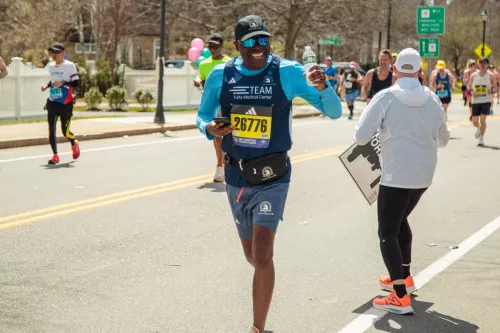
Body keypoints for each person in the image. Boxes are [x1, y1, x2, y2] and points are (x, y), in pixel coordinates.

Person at [196, 15, 342, 333]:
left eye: (264, 40)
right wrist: (209, 128)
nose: (259, 47)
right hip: (236, 177)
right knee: (252, 255)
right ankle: (266, 275)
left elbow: (334, 111)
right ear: (237, 46)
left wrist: (323, 86)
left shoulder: (287, 72)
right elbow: (203, 113)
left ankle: (258, 327)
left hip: (273, 176)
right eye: (251, 42)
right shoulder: (221, 75)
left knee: (262, 254)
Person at [354, 48, 450, 315]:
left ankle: (399, 296)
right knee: (400, 220)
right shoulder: (432, 100)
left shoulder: (385, 97)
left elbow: (361, 137)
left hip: (395, 176)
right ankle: (404, 278)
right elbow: (443, 140)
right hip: (423, 177)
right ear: (420, 72)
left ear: (395, 70)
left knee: (387, 231)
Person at [194, 33, 232, 182]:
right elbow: (204, 84)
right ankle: (220, 167)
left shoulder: (230, 62)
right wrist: (198, 82)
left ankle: (230, 163)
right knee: (217, 135)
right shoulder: (204, 64)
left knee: (229, 134)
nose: (212, 49)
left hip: (229, 103)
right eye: (209, 46)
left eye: (215, 46)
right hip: (214, 104)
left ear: (221, 46)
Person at [41, 43, 80, 165]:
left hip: (66, 103)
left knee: (65, 132)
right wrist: (47, 85)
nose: (54, 55)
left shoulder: (70, 66)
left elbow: (76, 83)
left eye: (56, 52)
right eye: (52, 53)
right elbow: (53, 81)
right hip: (52, 102)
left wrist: (63, 83)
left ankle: (74, 143)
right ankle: (55, 156)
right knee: (51, 130)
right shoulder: (51, 66)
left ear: (63, 53)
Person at [467, 57, 497, 146]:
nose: (482, 65)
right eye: (480, 63)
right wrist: (472, 92)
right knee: (475, 121)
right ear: (478, 65)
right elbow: (469, 86)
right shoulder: (473, 75)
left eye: (484, 63)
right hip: (476, 100)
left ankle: (481, 139)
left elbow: (495, 87)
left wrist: (491, 91)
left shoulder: (491, 75)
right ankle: (479, 129)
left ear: (487, 65)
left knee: (483, 119)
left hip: (486, 100)